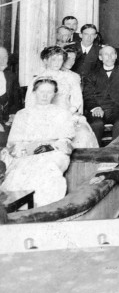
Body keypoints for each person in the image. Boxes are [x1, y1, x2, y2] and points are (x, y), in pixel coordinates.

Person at [0, 78, 75, 206]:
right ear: (34, 92)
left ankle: (43, 208)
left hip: (54, 155)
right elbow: (14, 144)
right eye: (41, 92)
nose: (45, 96)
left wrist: (50, 146)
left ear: (54, 94)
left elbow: (66, 143)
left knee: (46, 169)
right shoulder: (22, 114)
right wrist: (31, 148)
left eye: (49, 92)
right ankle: (20, 208)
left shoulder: (62, 114)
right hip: (27, 154)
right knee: (21, 172)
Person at [29, 44, 97, 149]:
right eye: (54, 59)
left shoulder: (70, 77)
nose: (57, 63)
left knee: (82, 135)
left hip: (67, 114)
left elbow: (77, 99)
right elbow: (30, 103)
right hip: (44, 118)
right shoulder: (37, 79)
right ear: (46, 60)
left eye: (60, 59)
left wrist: (68, 113)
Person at [82, 45, 119, 141]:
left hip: (117, 110)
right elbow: (87, 95)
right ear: (100, 58)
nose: (109, 57)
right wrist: (95, 107)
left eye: (112, 54)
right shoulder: (92, 74)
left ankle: (114, 153)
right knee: (96, 124)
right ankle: (96, 153)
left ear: (116, 56)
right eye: (106, 54)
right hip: (98, 109)